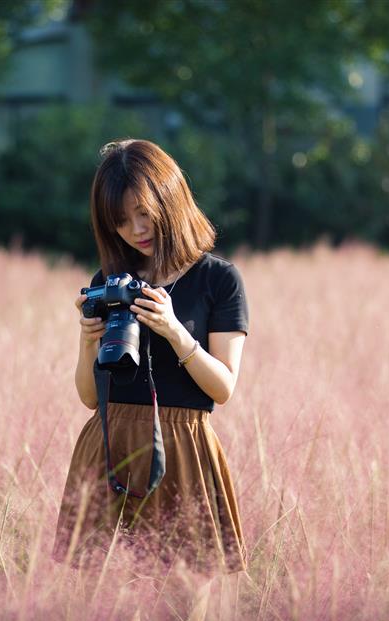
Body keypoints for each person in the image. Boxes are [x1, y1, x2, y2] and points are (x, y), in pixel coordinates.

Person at [52, 138, 250, 584]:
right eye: (120, 222)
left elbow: (223, 387)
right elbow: (89, 398)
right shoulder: (111, 281)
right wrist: (87, 341)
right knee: (100, 605)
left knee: (181, 603)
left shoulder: (218, 280)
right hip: (109, 442)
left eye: (143, 212)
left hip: (182, 449)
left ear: (169, 198)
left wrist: (173, 329)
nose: (135, 229)